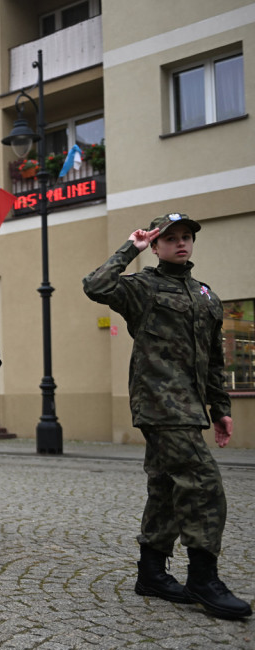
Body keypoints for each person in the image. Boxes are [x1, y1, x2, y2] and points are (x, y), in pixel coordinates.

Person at [82, 212, 251, 621]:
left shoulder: (206, 295)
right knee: (203, 482)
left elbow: (214, 359)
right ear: (156, 246)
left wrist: (221, 408)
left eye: (186, 237)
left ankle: (152, 573)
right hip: (159, 404)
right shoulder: (142, 288)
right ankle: (203, 578)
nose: (180, 243)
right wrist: (131, 248)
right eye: (170, 237)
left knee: (165, 487)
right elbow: (95, 285)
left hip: (191, 407)